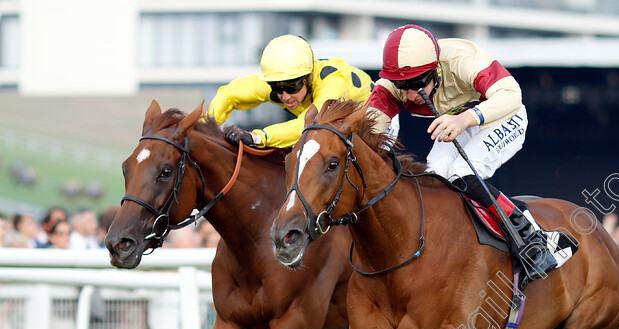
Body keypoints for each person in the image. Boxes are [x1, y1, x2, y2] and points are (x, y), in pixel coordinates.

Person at [365, 24, 566, 283]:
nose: (410, 94)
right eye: (401, 85)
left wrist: (466, 119)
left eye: (416, 84)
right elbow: (367, 132)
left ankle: (533, 239)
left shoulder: (461, 58)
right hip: (459, 119)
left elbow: (511, 94)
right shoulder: (392, 85)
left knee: (462, 173)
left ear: (435, 69)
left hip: (501, 115)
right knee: (435, 179)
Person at [207, 35, 374, 149]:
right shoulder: (281, 82)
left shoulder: (333, 82)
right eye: (277, 87)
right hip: (333, 127)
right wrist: (202, 127)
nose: (285, 96)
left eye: (292, 86)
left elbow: (311, 123)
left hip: (373, 121)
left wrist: (257, 137)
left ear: (309, 76)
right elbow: (228, 94)